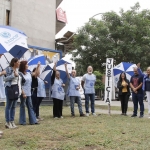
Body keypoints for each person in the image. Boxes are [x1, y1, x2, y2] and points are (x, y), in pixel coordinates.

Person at [0, 58, 21, 128]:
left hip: (16, 88)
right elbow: (4, 79)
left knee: (14, 106)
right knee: (9, 105)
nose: (19, 63)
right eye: (18, 62)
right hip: (9, 87)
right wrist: (13, 76)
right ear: (14, 62)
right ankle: (7, 122)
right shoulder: (8, 69)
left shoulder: (18, 70)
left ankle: (12, 121)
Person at [19, 60, 39, 125]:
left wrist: (38, 66)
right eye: (26, 64)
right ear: (23, 66)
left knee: (30, 106)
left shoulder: (28, 73)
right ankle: (22, 121)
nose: (27, 65)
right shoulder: (20, 74)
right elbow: (19, 84)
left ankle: (33, 121)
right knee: (23, 106)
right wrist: (23, 93)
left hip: (29, 93)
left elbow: (36, 74)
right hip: (23, 92)